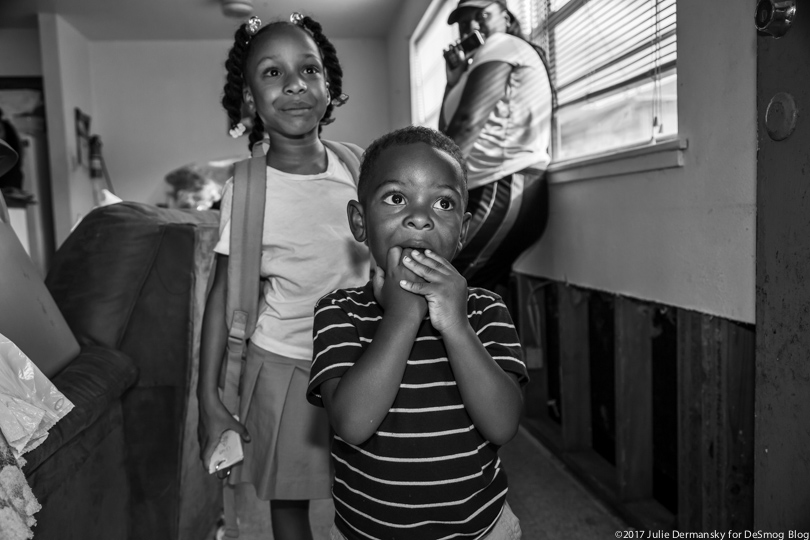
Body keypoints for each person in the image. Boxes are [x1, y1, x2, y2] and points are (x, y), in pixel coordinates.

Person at [307, 125, 528, 539]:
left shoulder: (483, 310)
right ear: (359, 222)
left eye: (443, 203)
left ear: (462, 232)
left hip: (479, 530)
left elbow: (502, 426)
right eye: (396, 198)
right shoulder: (338, 312)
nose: (420, 217)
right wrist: (402, 315)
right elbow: (353, 423)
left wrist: (457, 326)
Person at [196, 13, 370, 540]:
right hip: (286, 368)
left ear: (328, 86)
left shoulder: (359, 166)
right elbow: (222, 294)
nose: (295, 83)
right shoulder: (246, 188)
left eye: (308, 69)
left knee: (373, 485)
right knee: (289, 498)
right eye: (272, 73)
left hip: (366, 359)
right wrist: (209, 399)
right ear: (249, 99)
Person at [440, 0, 553, 294]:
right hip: (485, 190)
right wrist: (451, 83)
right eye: (465, 23)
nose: (473, 26)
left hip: (505, 186)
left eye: (482, 16)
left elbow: (467, 123)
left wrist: (432, 184)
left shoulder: (501, 44)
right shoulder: (471, 69)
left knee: (441, 282)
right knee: (469, 294)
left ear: (505, 16)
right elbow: (447, 131)